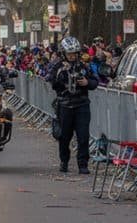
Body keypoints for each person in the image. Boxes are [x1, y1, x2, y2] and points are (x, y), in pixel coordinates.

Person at [48, 36, 98, 174]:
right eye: (69, 54)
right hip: (65, 105)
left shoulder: (84, 66)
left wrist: (87, 83)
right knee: (64, 136)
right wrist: (61, 79)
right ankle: (64, 161)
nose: (72, 56)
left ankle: (83, 164)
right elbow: (51, 81)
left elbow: (95, 82)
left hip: (82, 105)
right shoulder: (58, 66)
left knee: (83, 136)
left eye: (74, 53)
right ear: (64, 53)